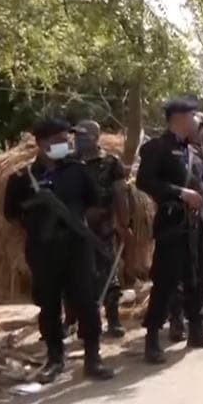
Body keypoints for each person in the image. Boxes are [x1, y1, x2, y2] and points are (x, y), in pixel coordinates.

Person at [4, 118, 115, 381]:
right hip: (43, 251)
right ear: (42, 143)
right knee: (49, 304)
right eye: (59, 139)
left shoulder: (78, 171)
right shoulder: (21, 179)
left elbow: (95, 203)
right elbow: (10, 215)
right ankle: (55, 359)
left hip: (77, 247)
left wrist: (81, 220)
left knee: (87, 303)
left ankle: (92, 358)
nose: (66, 143)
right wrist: (37, 223)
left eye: (67, 139)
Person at [136, 100, 203, 363]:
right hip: (172, 225)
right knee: (165, 282)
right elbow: (145, 181)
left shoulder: (194, 153)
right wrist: (179, 192)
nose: (195, 120)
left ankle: (197, 331)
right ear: (179, 118)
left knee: (198, 277)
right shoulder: (157, 148)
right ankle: (152, 339)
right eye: (191, 115)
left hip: (197, 225)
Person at [71, 120, 133, 338]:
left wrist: (124, 224)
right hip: (75, 228)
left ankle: (113, 320)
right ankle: (80, 322)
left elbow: (119, 195)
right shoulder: (69, 162)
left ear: (96, 137)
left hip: (103, 228)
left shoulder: (110, 162)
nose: (78, 139)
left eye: (83, 135)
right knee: (78, 276)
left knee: (108, 273)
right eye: (76, 135)